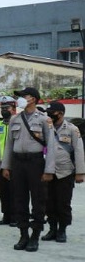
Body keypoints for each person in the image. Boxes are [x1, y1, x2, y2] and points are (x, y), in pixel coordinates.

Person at [1, 87, 57, 252]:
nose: (20, 99)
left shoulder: (44, 120)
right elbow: (9, 145)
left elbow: (51, 146)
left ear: (33, 99)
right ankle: (23, 234)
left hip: (36, 163)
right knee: (19, 199)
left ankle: (35, 236)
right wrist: (6, 166)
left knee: (38, 200)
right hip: (18, 163)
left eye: (23, 96)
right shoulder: (14, 119)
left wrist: (49, 170)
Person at [41, 101, 85, 243]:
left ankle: (62, 230)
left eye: (51, 112)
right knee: (49, 203)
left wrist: (80, 172)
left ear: (60, 113)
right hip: (48, 171)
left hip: (65, 172)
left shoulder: (72, 129)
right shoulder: (46, 128)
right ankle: (52, 229)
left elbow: (79, 151)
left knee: (63, 203)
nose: (49, 115)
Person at [0, 96, 16, 226]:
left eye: (6, 108)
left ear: (13, 109)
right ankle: (6, 215)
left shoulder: (19, 123)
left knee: (15, 191)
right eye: (2, 108)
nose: (4, 110)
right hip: (0, 163)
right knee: (3, 191)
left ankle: (15, 216)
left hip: (14, 164)